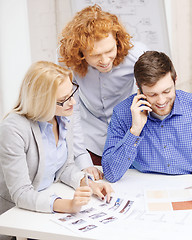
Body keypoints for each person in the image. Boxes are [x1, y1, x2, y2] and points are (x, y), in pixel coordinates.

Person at [102, 51, 192, 202]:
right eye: (152, 95)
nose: (161, 101)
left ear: (175, 80)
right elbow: (111, 173)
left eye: (167, 91)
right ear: (139, 89)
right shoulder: (123, 113)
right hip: (142, 192)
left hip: (190, 190)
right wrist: (135, 130)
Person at [0, 61, 113, 215]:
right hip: (16, 212)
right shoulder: (14, 129)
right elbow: (21, 193)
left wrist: (89, 184)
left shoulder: (63, 116)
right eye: (65, 99)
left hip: (46, 197)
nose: (73, 102)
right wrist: (68, 205)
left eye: (72, 93)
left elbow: (64, 167)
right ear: (41, 102)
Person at [58, 4, 147, 166]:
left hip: (127, 134)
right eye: (95, 55)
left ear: (117, 42)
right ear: (80, 52)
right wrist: (82, 160)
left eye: (109, 50)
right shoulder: (68, 64)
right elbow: (71, 113)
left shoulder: (137, 55)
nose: (105, 61)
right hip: (89, 139)